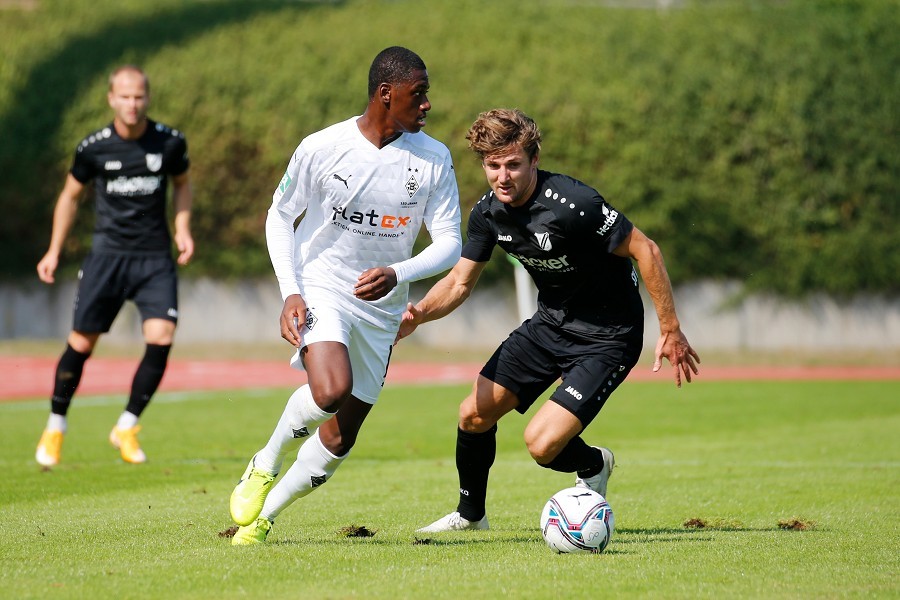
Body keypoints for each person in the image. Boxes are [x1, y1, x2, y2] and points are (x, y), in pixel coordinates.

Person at [397, 108, 700, 533]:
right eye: (493, 165)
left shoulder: (575, 204)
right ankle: (471, 516)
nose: (503, 176)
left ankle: (595, 464)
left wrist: (670, 329)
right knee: (473, 415)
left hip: (608, 337)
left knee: (541, 445)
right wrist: (420, 314)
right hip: (549, 325)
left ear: (533, 160)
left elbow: (646, 249)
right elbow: (460, 282)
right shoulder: (488, 213)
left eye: (513, 164)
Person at [228, 46, 462, 545]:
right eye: (417, 94)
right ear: (385, 94)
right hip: (324, 287)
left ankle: (265, 515)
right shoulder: (322, 146)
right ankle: (264, 461)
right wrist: (291, 291)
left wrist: (398, 273)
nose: (426, 105)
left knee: (341, 434)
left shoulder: (434, 158)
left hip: (381, 309)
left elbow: (449, 243)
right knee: (330, 392)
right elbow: (279, 216)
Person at [34, 65, 194, 467]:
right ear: (111, 99)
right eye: (124, 96)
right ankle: (56, 426)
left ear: (147, 97)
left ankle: (126, 425)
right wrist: (53, 250)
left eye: (138, 96)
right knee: (82, 344)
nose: (132, 103)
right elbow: (69, 197)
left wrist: (183, 229)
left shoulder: (170, 142)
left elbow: (183, 184)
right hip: (107, 257)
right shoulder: (93, 148)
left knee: (162, 337)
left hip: (154, 258)